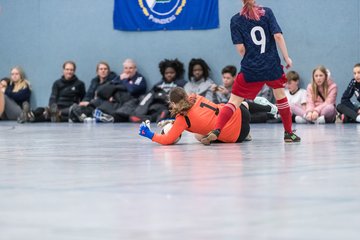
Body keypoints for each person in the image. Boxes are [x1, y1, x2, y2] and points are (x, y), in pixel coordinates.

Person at [201, 0, 300, 145]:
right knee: (280, 98)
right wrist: (286, 57)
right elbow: (277, 36)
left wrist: (253, 59)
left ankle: (217, 130)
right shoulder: (267, 12)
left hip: (251, 67)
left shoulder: (235, 20)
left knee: (233, 102)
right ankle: (288, 133)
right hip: (271, 64)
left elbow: (241, 49)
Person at [138, 87, 250, 145]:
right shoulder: (196, 97)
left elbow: (167, 139)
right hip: (241, 112)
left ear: (172, 103)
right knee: (229, 105)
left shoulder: (183, 119)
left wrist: (149, 134)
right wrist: (173, 121)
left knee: (198, 136)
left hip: (238, 136)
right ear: (186, 94)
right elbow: (202, 115)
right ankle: (265, 107)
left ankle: (247, 135)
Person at [19, 61, 85, 123]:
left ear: (74, 71)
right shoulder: (57, 83)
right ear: (63, 70)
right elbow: (53, 97)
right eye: (67, 69)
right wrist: (51, 107)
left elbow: (83, 100)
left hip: (69, 109)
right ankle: (29, 114)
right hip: (56, 108)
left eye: (71, 70)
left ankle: (30, 117)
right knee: (42, 110)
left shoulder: (80, 84)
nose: (69, 71)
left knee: (50, 116)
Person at [129, 58, 187, 123]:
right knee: (155, 111)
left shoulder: (181, 84)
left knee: (169, 112)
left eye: (172, 73)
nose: (169, 75)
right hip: (157, 105)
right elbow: (148, 97)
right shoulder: (158, 85)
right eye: (166, 73)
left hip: (170, 107)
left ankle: (158, 117)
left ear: (177, 73)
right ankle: (148, 118)